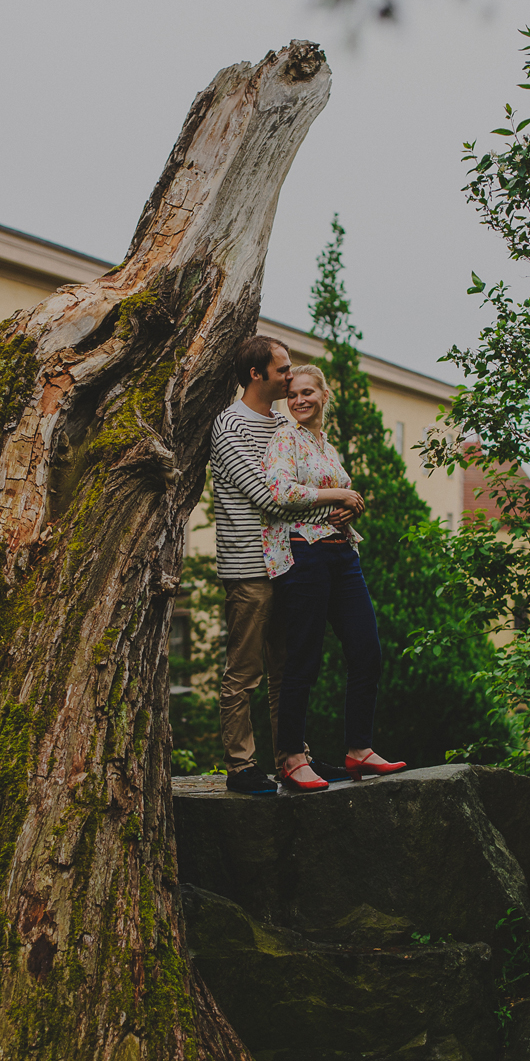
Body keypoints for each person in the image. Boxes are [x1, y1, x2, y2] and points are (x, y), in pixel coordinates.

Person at [210, 336, 364, 794]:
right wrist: (335, 502)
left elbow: (309, 480)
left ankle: (292, 759)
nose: (290, 378)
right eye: (283, 371)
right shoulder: (230, 426)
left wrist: (344, 509)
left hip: (290, 557)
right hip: (248, 565)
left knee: (289, 666)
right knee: (244, 671)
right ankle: (241, 766)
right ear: (257, 374)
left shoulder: (282, 423)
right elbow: (269, 496)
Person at [262, 364, 406, 792]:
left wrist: (348, 506)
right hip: (304, 555)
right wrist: (339, 495)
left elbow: (331, 494)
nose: (299, 400)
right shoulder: (285, 437)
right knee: (303, 659)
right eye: (293, 395)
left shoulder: (325, 444)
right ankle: (291, 757)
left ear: (326, 396)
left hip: (343, 555)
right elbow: (280, 492)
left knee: (367, 650)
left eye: (308, 392)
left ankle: (359, 749)